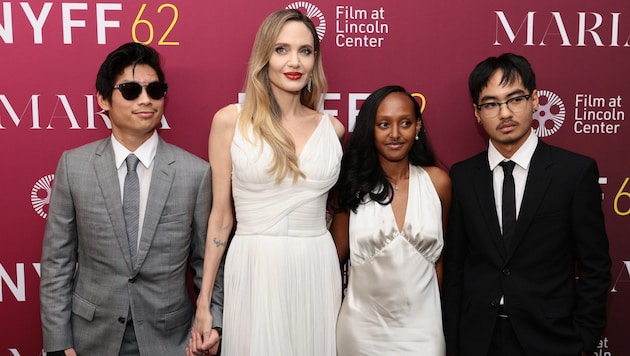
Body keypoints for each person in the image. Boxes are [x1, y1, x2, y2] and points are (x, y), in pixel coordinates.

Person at [39, 42, 223, 356]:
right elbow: (57, 262)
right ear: (103, 99)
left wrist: (215, 323)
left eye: (155, 90)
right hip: (89, 341)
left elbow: (208, 264)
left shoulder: (196, 173)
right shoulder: (74, 166)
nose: (145, 100)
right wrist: (58, 345)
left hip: (173, 342)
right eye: (130, 90)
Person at [187, 9, 345, 356]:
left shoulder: (332, 129)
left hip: (316, 265)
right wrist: (205, 304)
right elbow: (221, 217)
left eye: (305, 51)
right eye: (281, 49)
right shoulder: (231, 121)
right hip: (255, 264)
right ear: (264, 56)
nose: (295, 61)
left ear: (315, 59)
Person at [442, 53, 611, 356]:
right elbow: (455, 267)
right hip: (478, 339)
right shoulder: (463, 176)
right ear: (477, 113)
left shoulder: (573, 172)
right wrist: (453, 341)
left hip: (551, 338)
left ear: (534, 100)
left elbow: (595, 265)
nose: (505, 113)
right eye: (491, 104)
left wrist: (584, 339)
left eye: (515, 99)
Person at [331, 85, 451, 355]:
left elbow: (439, 261)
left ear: (418, 126)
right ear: (369, 130)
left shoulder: (438, 183)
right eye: (384, 124)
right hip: (361, 334)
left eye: (405, 123)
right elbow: (331, 257)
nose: (395, 134)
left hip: (423, 334)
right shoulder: (353, 188)